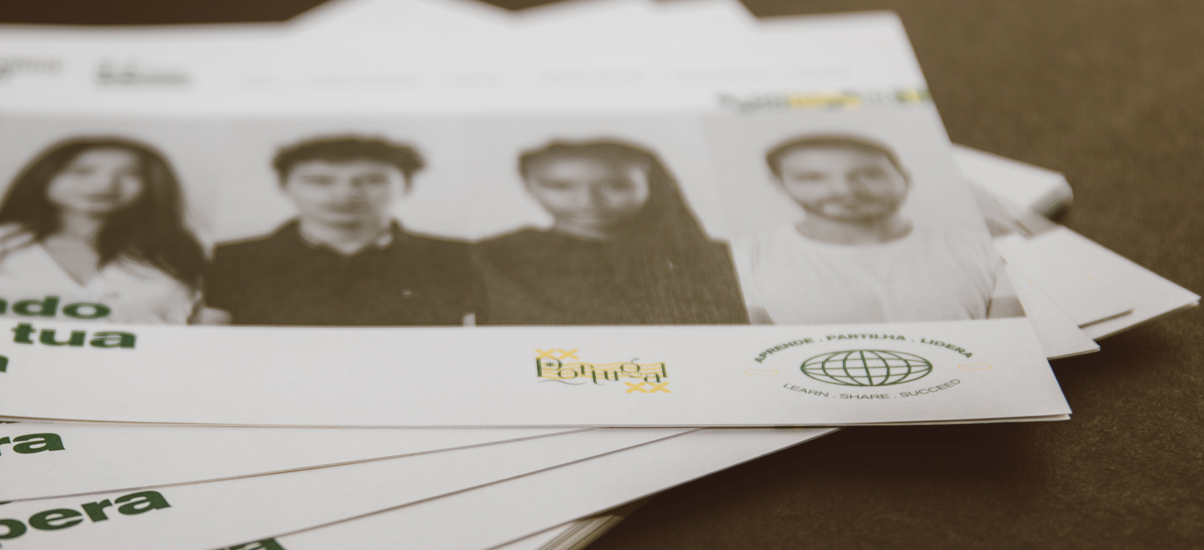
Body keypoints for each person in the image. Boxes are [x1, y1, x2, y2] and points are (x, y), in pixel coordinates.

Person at [734, 134, 1020, 324]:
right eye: (811, 178)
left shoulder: (987, 248)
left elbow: (1009, 353)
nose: (845, 189)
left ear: (905, 177)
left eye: (869, 174)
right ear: (778, 185)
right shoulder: (743, 257)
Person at [203, 135, 484, 326]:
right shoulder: (228, 261)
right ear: (284, 186)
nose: (344, 194)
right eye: (320, 181)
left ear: (407, 186)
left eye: (371, 180)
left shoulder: (460, 257)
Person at [474, 140, 746, 325]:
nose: (587, 200)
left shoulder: (713, 256)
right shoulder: (491, 256)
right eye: (560, 186)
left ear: (651, 185)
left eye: (616, 186)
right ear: (529, 185)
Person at [0, 137, 206, 324]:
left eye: (131, 174)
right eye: (81, 171)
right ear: (44, 177)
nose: (105, 184)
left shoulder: (190, 249)